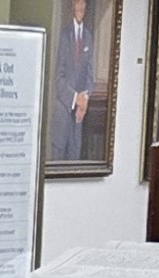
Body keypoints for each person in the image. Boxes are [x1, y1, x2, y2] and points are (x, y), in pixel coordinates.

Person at [50, 0, 95, 162]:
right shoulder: (64, 35)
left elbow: (90, 76)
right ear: (73, 7)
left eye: (83, 6)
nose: (80, 9)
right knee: (58, 163)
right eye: (78, 5)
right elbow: (58, 78)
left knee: (75, 161)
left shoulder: (88, 37)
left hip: (78, 116)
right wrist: (76, 98)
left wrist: (85, 99)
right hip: (63, 112)